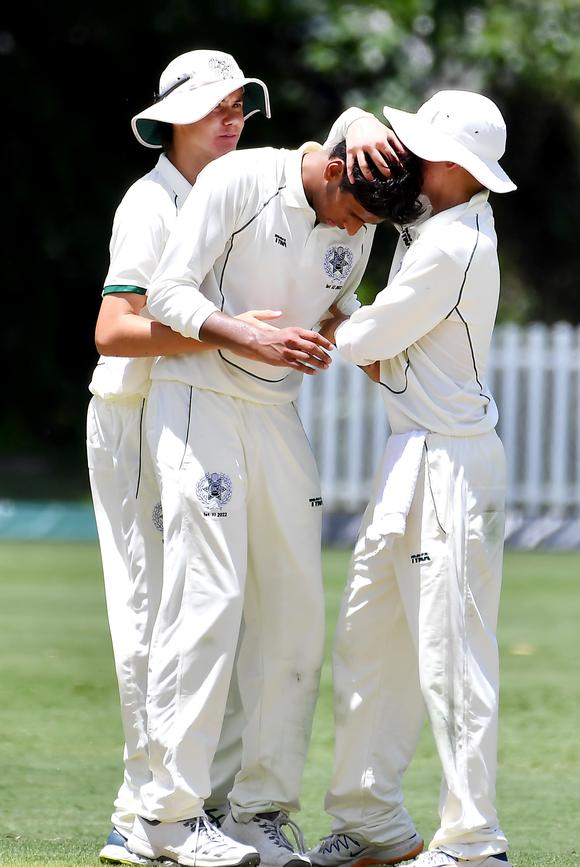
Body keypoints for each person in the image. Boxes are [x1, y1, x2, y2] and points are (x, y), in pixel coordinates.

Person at [123, 115, 423, 867]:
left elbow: (329, 302)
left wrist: (357, 337)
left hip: (276, 411)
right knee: (208, 599)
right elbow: (165, 292)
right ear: (330, 171)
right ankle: (168, 814)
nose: (355, 232)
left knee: (296, 611)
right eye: (353, 213)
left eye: (368, 225)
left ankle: (260, 811)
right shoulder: (241, 179)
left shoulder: (363, 212)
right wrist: (242, 333)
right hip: (197, 397)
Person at [86, 48, 333, 867]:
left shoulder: (237, 190)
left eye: (238, 106)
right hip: (133, 410)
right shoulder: (149, 202)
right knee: (156, 609)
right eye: (213, 107)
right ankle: (142, 811)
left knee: (215, 612)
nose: (232, 119)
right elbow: (114, 330)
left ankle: (201, 805)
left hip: (196, 409)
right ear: (171, 120)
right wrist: (225, 329)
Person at [308, 90, 518, 867]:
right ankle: (373, 824)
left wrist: (341, 320)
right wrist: (360, 121)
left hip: (454, 467)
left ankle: (472, 842)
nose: (402, 162)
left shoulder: (451, 246)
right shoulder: (434, 224)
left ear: (457, 168)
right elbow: (373, 354)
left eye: (420, 150)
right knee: (370, 641)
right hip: (411, 458)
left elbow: (362, 338)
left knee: (451, 655)